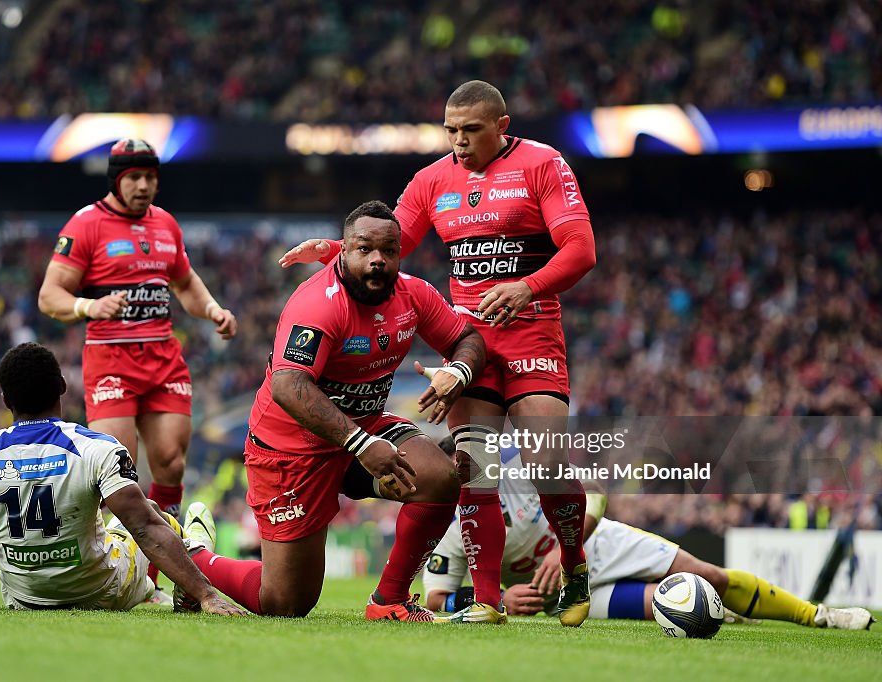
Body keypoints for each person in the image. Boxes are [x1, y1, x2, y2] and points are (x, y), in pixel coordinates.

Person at [279, 80, 596, 625]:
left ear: (502, 125)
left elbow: (581, 250)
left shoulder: (544, 164)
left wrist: (527, 287)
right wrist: (333, 249)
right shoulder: (432, 180)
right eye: (451, 130)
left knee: (545, 460)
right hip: (469, 346)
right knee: (475, 469)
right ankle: (488, 601)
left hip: (532, 337)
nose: (459, 142)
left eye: (471, 130)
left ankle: (574, 566)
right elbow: (389, 240)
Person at [175, 200, 486, 621]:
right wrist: (360, 443)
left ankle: (389, 602)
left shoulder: (414, 294)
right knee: (286, 603)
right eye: (364, 249)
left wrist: (460, 372)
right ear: (343, 250)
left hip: (366, 427)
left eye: (388, 251)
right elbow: (288, 384)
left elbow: (467, 337)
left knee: (440, 479)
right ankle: (189, 557)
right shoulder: (318, 305)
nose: (377, 260)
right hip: (292, 445)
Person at [37, 138, 237, 604]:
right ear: (117, 180)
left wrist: (211, 309)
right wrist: (90, 304)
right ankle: (112, 567)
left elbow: (185, 282)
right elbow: (50, 295)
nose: (145, 186)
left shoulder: (165, 223)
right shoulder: (86, 224)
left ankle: (161, 574)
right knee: (116, 473)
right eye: (135, 178)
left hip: (163, 358)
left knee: (170, 461)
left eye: (151, 177)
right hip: (110, 361)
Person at [422, 447, 875, 631]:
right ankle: (726, 617)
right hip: (559, 598)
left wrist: (567, 548)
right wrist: (501, 597)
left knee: (707, 575)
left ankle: (819, 616)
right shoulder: (442, 525)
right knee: (670, 600)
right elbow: (437, 599)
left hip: (592, 547)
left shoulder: (518, 464)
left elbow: (595, 497)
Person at [0, 342, 243, 615]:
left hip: (25, 599)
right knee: (153, 513)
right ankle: (196, 562)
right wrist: (208, 595)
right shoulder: (96, 448)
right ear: (62, 386)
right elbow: (146, 528)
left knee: (122, 524)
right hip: (102, 592)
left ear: (5, 400)